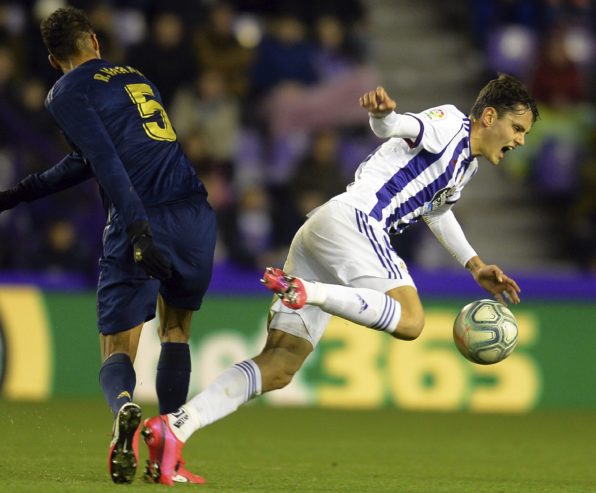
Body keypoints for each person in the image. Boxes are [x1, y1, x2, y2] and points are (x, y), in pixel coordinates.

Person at [139, 74, 539, 485]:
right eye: (517, 128)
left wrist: (475, 265)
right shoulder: (450, 124)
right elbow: (399, 127)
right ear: (489, 116)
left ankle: (175, 428)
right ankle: (306, 292)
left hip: (324, 231)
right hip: (358, 221)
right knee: (411, 320)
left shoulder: (464, 165)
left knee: (280, 365)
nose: (520, 140)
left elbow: (436, 210)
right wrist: (383, 115)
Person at [0, 6, 215, 485]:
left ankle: (124, 407)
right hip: (194, 212)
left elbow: (104, 162)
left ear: (51, 58)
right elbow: (85, 161)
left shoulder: (67, 92)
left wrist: (139, 230)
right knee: (176, 331)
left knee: (115, 348)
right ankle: (169, 457)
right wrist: (13, 196)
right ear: (95, 43)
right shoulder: (134, 78)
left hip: (141, 214)